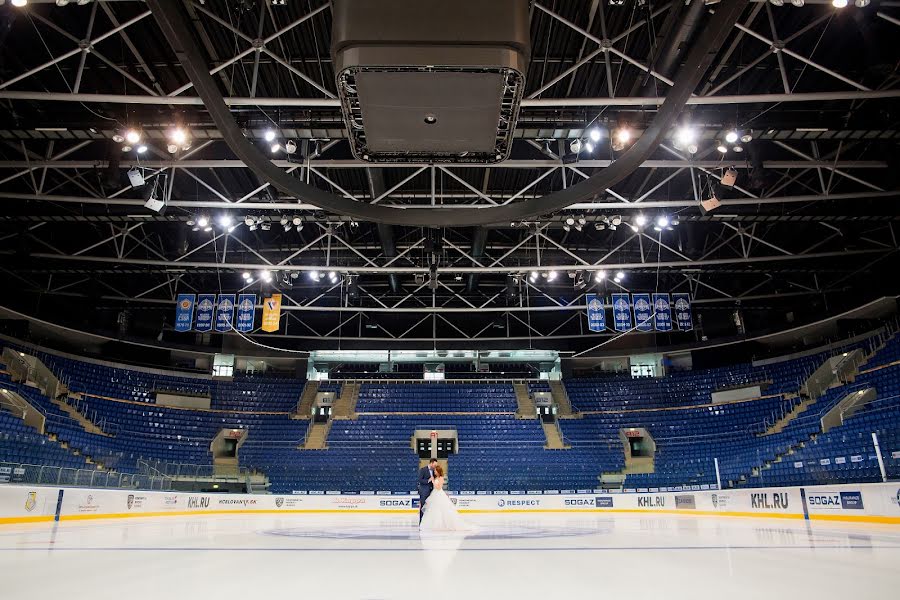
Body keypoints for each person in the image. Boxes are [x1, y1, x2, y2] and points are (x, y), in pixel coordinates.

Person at [419, 464, 473, 532]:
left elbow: (439, 488)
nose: (434, 472)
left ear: (438, 471)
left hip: (438, 494)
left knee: (441, 510)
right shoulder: (436, 477)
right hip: (434, 494)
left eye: (435, 471)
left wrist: (433, 481)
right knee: (434, 510)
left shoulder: (441, 478)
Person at [417, 458, 437, 525]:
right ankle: (421, 522)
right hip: (423, 491)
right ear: (431, 463)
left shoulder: (434, 471)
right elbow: (420, 480)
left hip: (431, 492)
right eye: (434, 465)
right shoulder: (423, 470)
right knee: (423, 507)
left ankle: (428, 522)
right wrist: (428, 480)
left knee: (429, 508)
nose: (435, 466)